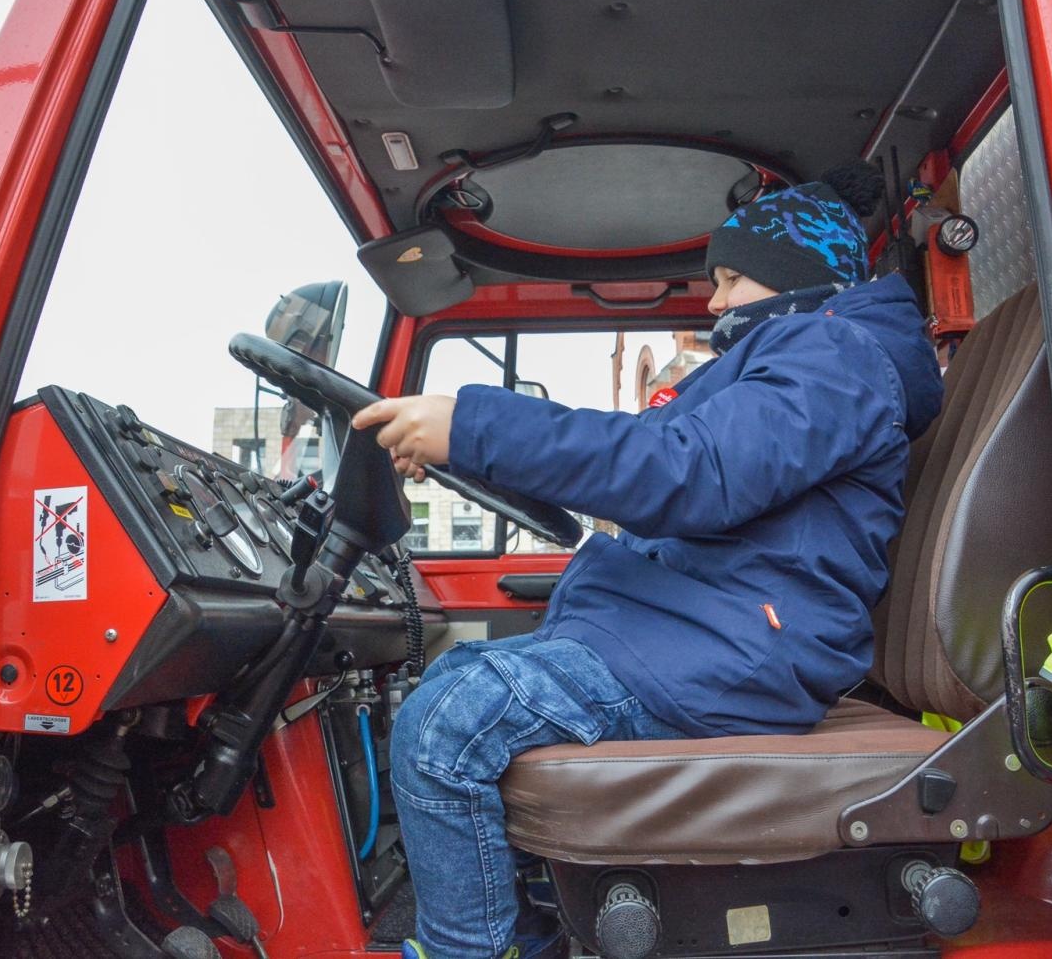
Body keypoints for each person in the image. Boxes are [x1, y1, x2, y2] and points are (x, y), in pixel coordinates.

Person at [350, 165, 944, 959]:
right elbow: (669, 463)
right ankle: (523, 934)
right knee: (453, 680)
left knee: (445, 728)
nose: (715, 303)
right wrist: (478, 450)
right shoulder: (805, 359)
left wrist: (473, 428)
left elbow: (688, 470)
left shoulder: (834, 356)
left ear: (795, 273)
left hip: (735, 650)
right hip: (705, 631)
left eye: (731, 279)